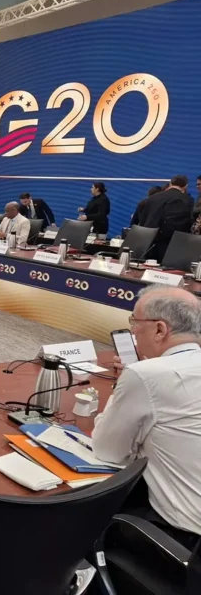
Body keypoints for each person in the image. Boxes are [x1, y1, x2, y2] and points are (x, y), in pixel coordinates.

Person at [93, 285, 201, 551]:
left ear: (159, 330)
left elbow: (108, 451)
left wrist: (128, 383)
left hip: (181, 538)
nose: (132, 332)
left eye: (135, 323)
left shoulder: (147, 375)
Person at [140, 175, 194, 263]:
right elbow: (186, 222)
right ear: (185, 186)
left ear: (170, 183)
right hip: (170, 243)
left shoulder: (153, 197)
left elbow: (143, 218)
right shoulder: (187, 199)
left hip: (148, 240)